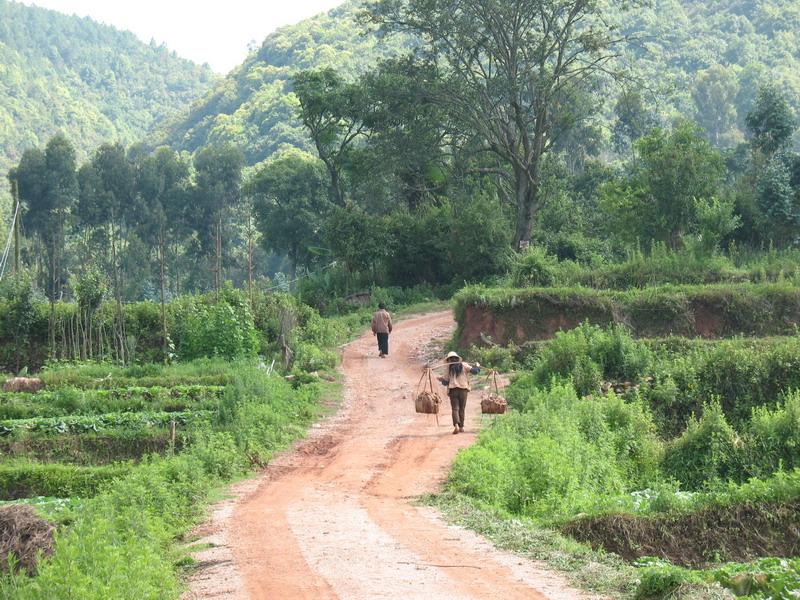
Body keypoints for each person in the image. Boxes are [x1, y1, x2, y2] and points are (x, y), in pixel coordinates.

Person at [437, 351, 480, 434]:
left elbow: (446, 382)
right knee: (462, 409)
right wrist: (477, 366)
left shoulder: (448, 368)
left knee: (455, 408)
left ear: (449, 360)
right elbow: (475, 372)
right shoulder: (464, 365)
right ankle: (461, 427)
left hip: (453, 390)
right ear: (457, 358)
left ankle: (456, 425)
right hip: (463, 390)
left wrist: (440, 379)